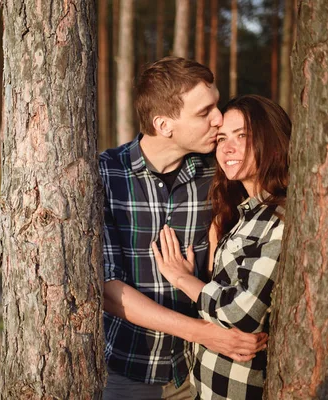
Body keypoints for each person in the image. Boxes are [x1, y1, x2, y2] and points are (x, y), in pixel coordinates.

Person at [100, 57, 267, 400]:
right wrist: (205, 332)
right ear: (164, 125)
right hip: (127, 370)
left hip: (199, 372)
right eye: (204, 112)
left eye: (216, 105)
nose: (218, 119)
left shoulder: (217, 171)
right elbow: (106, 288)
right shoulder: (104, 174)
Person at [152, 94, 290, 399]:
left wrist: (183, 280)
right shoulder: (246, 212)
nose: (227, 148)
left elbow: (243, 313)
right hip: (207, 384)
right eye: (223, 138)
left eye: (243, 136)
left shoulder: (279, 217)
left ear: (273, 142)